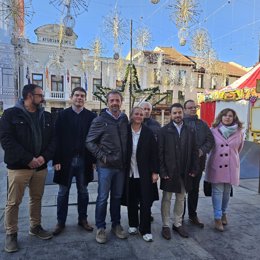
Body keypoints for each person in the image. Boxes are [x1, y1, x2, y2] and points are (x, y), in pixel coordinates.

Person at [0, 84, 55, 253]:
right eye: (40, 95)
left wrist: (43, 158)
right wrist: (28, 159)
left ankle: (35, 226)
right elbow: (6, 141)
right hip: (19, 167)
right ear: (29, 96)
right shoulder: (10, 115)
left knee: (36, 198)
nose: (43, 98)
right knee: (13, 201)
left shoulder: (46, 116)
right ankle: (11, 234)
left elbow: (54, 141)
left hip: (40, 166)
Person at [52, 87, 97, 236]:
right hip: (65, 160)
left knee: (83, 192)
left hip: (84, 160)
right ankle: (60, 222)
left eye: (82, 96)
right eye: (77, 95)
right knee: (63, 192)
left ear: (85, 98)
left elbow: (94, 139)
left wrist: (93, 160)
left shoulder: (91, 116)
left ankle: (83, 219)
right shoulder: (62, 115)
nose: (79, 98)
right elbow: (56, 138)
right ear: (71, 97)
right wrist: (56, 159)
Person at [86, 90, 128, 244]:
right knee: (103, 198)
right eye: (112, 100)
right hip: (105, 167)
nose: (115, 103)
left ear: (121, 102)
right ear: (107, 102)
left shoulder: (124, 119)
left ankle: (116, 225)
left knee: (117, 197)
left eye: (117, 100)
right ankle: (100, 227)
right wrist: (103, 157)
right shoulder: (100, 120)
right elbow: (89, 142)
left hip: (121, 167)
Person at [159, 103, 198, 240]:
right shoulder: (164, 131)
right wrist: (162, 172)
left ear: (183, 113)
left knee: (181, 198)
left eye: (179, 112)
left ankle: (177, 223)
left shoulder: (190, 130)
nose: (177, 115)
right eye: (174, 113)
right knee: (167, 199)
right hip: (169, 172)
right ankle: (165, 225)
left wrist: (194, 168)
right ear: (171, 114)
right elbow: (160, 153)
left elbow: (194, 151)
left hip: (184, 171)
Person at [204, 108, 244, 232]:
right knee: (217, 191)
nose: (227, 117)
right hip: (216, 164)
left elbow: (239, 148)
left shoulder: (239, 132)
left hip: (231, 165)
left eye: (230, 116)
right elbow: (209, 147)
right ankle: (217, 217)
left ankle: (224, 213)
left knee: (227, 192)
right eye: (225, 115)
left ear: (234, 118)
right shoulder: (213, 131)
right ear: (221, 117)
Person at [124, 107, 159, 242]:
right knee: (131, 201)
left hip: (145, 173)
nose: (139, 116)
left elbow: (154, 153)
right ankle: (133, 224)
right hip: (129, 173)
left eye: (141, 114)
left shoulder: (148, 132)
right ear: (131, 115)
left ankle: (145, 229)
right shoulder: (125, 130)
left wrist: (155, 172)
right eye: (136, 114)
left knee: (145, 202)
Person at [183, 100, 215, 228]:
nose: (192, 109)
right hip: (183, 164)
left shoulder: (203, 124)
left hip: (198, 163)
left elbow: (210, 140)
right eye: (189, 107)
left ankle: (192, 215)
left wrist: (202, 150)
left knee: (194, 190)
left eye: (194, 107)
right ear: (185, 109)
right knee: (181, 191)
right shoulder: (181, 123)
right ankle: (180, 215)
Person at [140, 101, 161, 222]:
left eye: (148, 109)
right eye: (144, 109)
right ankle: (139, 210)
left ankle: (147, 211)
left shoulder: (156, 125)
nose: (146, 111)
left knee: (150, 192)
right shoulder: (133, 123)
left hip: (151, 164)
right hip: (136, 164)